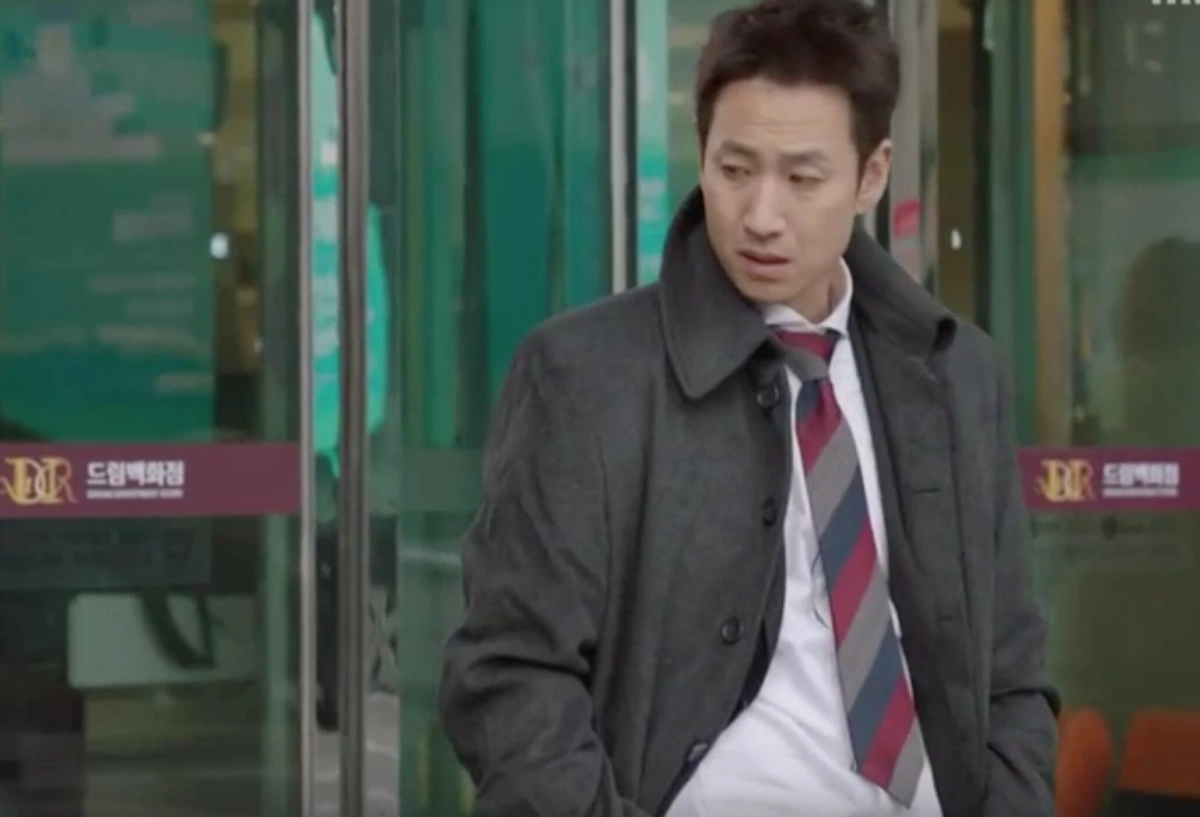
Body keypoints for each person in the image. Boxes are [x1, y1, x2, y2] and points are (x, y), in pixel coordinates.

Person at [438, 1, 1059, 815]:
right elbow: (510, 673)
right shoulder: (586, 377)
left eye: (802, 178)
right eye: (734, 170)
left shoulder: (955, 376)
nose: (761, 216)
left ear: (872, 175)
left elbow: (1009, 671)